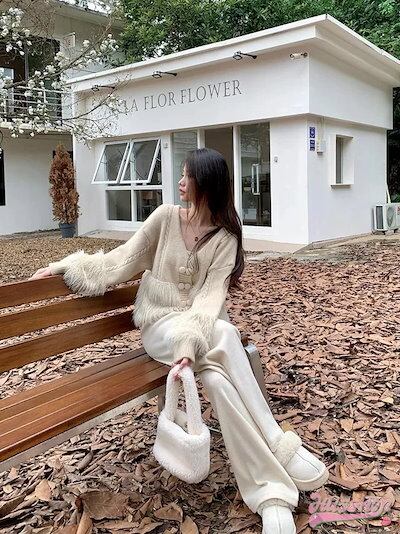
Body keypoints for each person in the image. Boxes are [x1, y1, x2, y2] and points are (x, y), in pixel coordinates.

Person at [30, 148, 329, 534]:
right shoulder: (165, 218)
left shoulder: (225, 239)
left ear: (207, 184)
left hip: (199, 332)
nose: (180, 182)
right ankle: (277, 443)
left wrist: (189, 345)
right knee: (225, 332)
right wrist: (63, 266)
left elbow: (209, 300)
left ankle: (269, 492)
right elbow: (121, 260)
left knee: (218, 380)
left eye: (188, 176)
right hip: (160, 327)